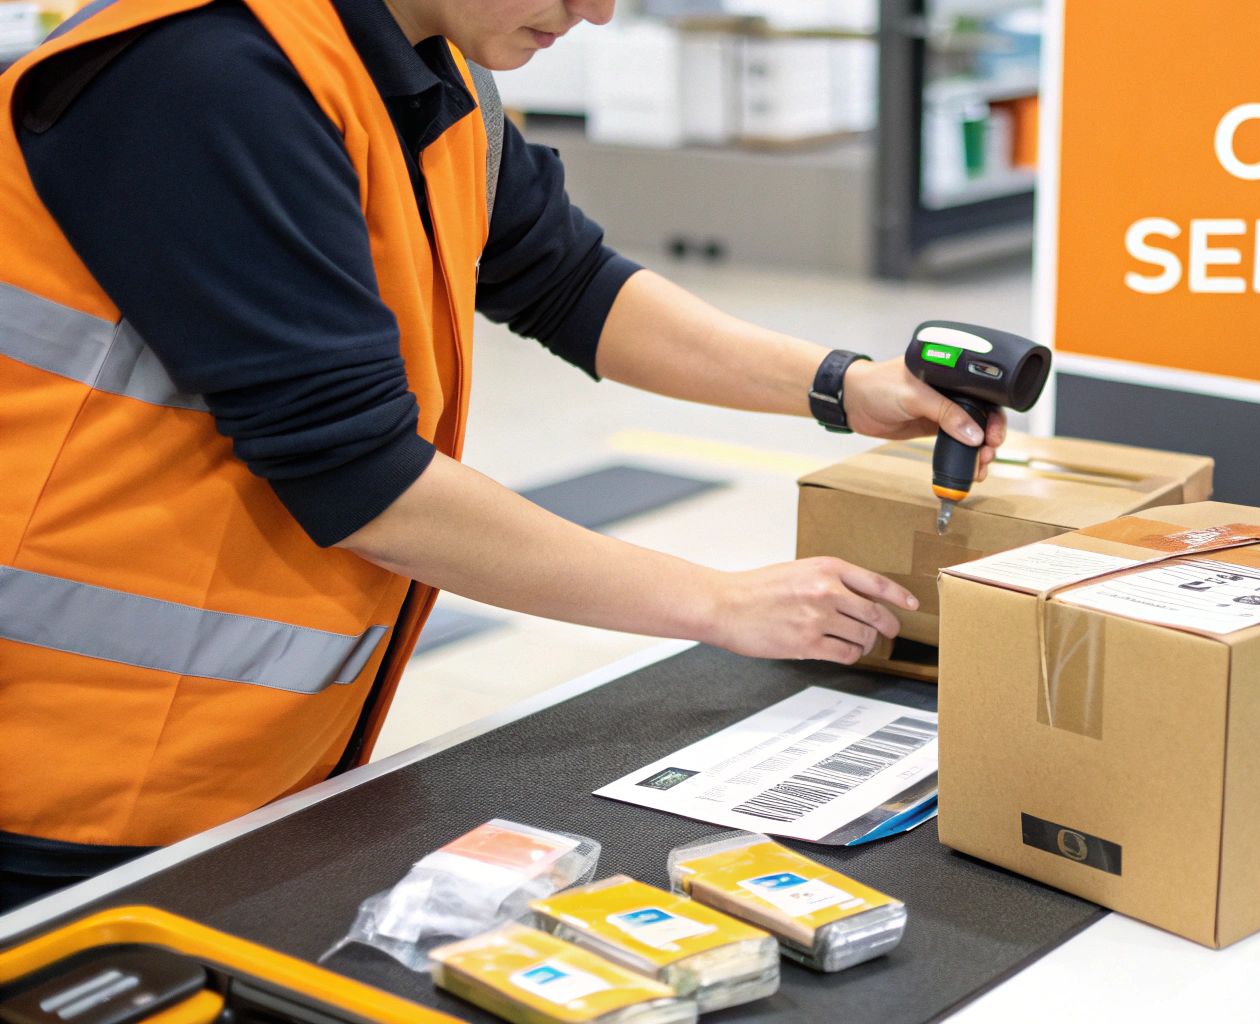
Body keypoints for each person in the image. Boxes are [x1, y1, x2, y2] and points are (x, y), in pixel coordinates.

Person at [0, 0, 1007, 912]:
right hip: (67, 763)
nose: (599, 13)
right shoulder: (202, 74)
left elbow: (564, 279)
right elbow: (362, 479)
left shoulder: (428, 65)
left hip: (242, 746)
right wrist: (718, 601)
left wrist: (844, 384)